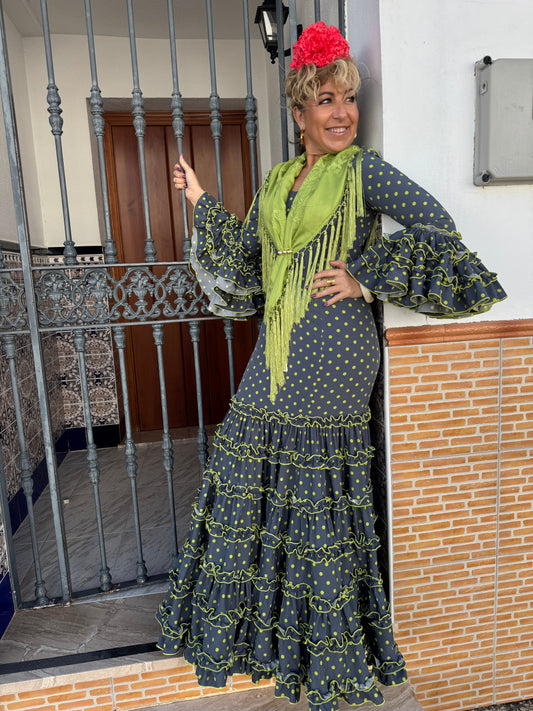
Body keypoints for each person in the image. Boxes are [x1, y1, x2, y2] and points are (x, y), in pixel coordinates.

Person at [156, 22, 506, 711]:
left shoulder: (364, 172)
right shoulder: (277, 182)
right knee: (249, 472)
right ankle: (271, 640)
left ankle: (328, 656)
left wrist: (366, 277)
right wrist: (199, 201)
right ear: (299, 114)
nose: (342, 112)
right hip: (276, 351)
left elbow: (440, 227)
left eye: (348, 98)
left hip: (339, 353)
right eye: (325, 100)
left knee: (315, 500)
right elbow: (251, 264)